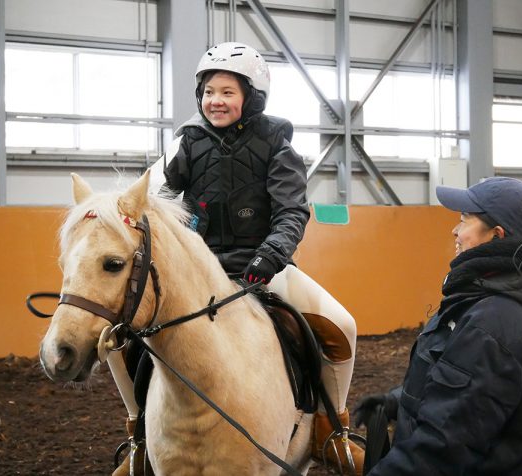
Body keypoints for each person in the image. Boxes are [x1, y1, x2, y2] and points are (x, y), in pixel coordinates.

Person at [115, 42, 364, 475]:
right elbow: (154, 198)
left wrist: (270, 256)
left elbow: (290, 211)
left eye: (227, 92)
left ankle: (330, 429)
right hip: (198, 271)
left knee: (341, 325)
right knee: (122, 335)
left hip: (264, 268)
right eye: (209, 91)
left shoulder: (277, 143)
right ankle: (138, 436)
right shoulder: (185, 144)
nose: (216, 100)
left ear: (251, 95)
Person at [353, 177, 522, 476]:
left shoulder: (494, 322)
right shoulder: (485, 303)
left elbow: (444, 445)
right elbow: (458, 385)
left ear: (497, 236)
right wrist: (398, 401)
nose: (455, 230)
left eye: (464, 220)